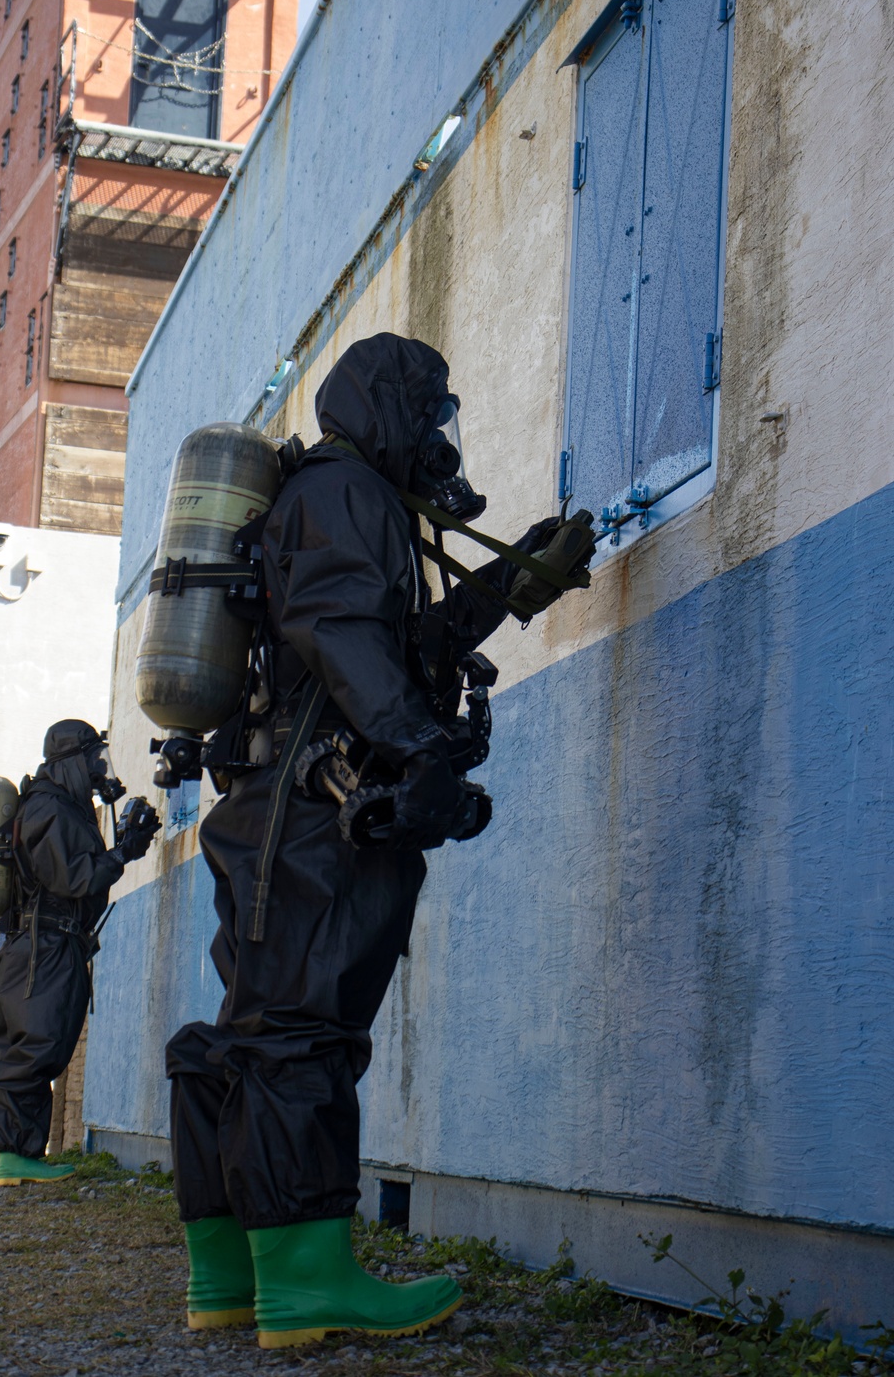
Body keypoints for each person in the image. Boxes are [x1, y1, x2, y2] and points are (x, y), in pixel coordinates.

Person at [165, 334, 593, 1347]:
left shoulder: (351, 501)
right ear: (393, 406)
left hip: (284, 808)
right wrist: (415, 749)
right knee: (299, 1033)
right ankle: (306, 1280)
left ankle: (232, 1274)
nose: (442, 434)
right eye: (433, 410)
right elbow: (340, 631)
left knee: (257, 1028)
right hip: (314, 815)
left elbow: (387, 639)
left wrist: (505, 589)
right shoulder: (345, 490)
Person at [0, 720, 159, 1186]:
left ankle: (14, 1154)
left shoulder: (54, 806)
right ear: (72, 760)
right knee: (38, 1043)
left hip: (32, 944)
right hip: (46, 946)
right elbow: (73, 879)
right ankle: (14, 1154)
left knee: (18, 1046)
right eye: (95, 758)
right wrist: (125, 853)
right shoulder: (51, 809)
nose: (101, 769)